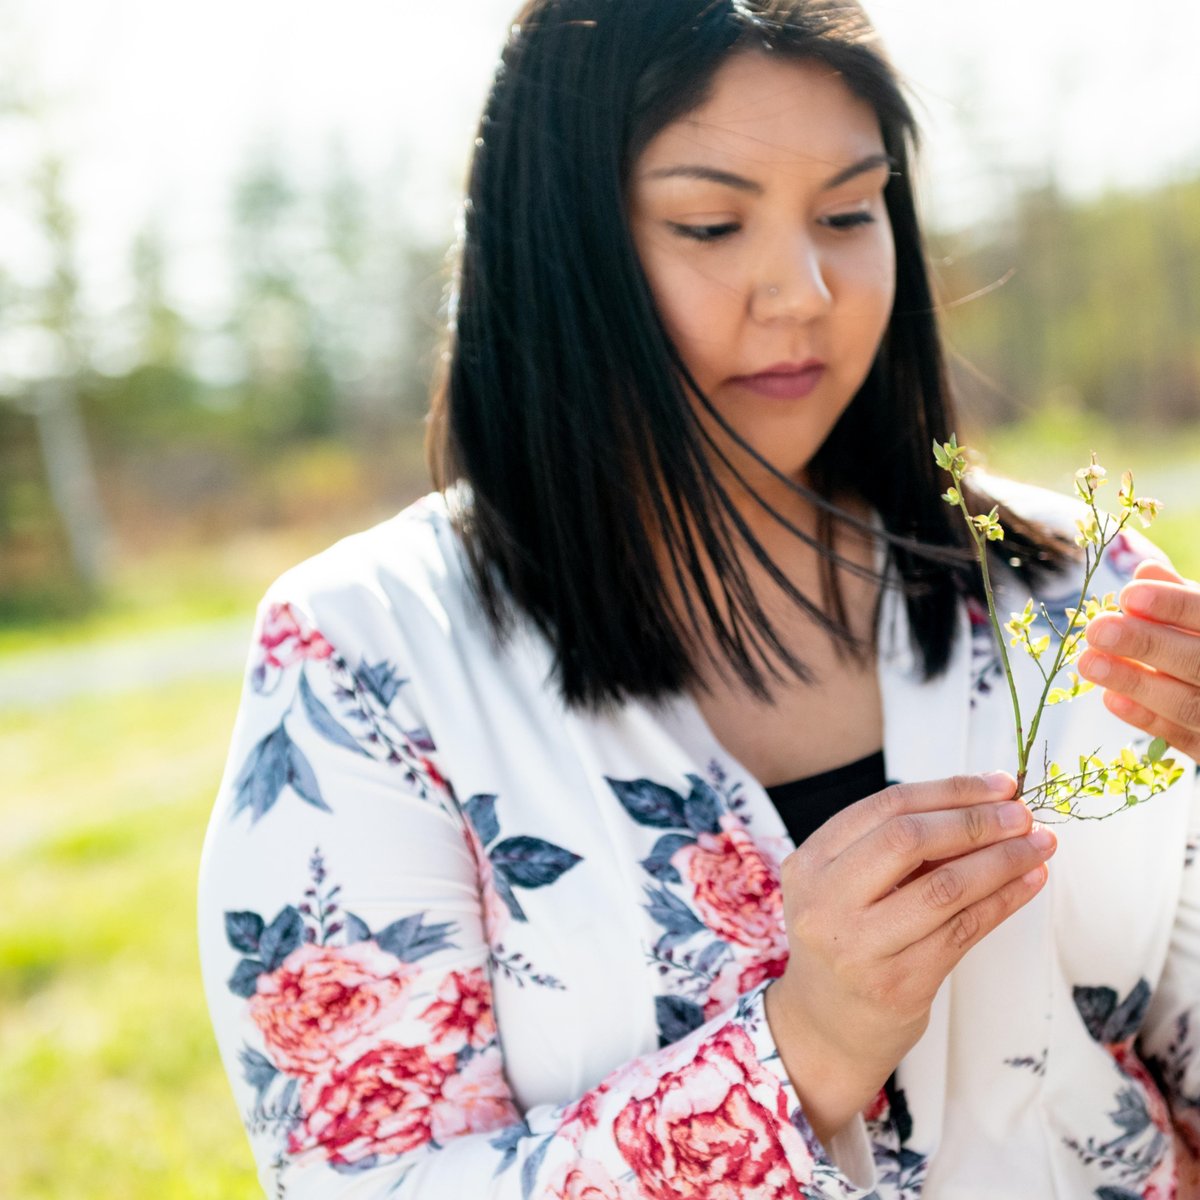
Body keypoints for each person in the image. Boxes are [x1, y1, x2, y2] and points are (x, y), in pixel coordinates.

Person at [197, 2, 1200, 1195]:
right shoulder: (368, 657)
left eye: (849, 211)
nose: (805, 290)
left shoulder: (1069, 585)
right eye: (711, 224)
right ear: (553, 246)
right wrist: (810, 1046)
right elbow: (361, 1180)